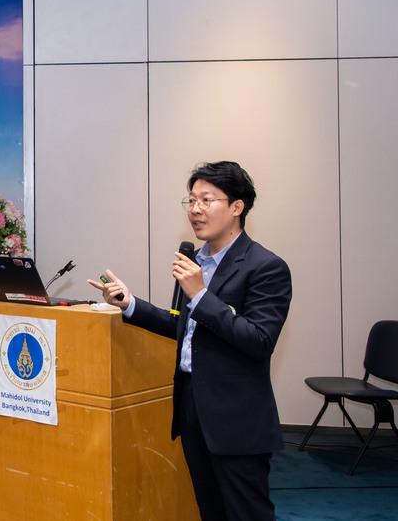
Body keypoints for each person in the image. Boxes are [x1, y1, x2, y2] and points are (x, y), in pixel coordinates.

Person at [88, 161, 292, 521]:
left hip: (235, 417)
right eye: (192, 200)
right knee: (209, 510)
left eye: (206, 200)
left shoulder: (265, 267)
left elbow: (259, 340)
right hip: (192, 405)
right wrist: (130, 304)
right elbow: (184, 328)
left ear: (237, 206)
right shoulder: (195, 262)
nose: (195, 209)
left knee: (246, 514)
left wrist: (200, 295)